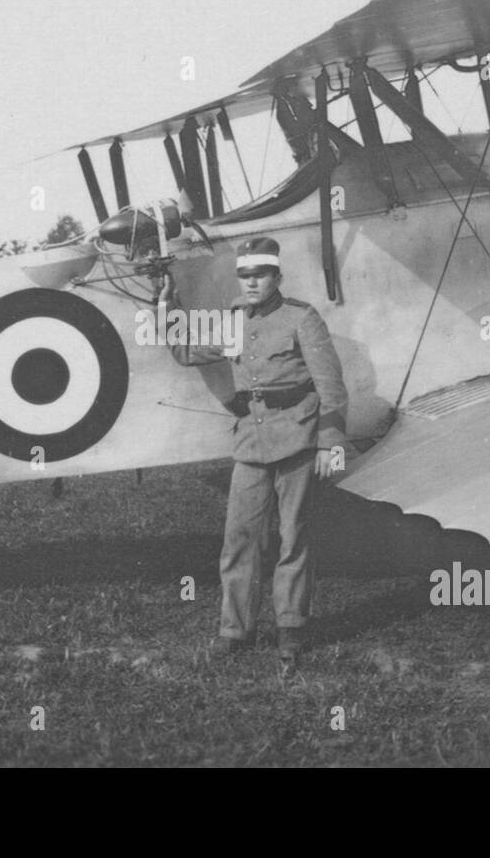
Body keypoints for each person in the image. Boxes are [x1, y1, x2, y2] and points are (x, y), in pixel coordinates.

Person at [156, 236, 349, 666]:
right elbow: (186, 352)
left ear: (277, 277)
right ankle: (235, 630)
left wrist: (328, 445)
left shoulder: (302, 318)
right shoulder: (233, 321)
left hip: (297, 437)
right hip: (250, 441)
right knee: (239, 538)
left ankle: (291, 628)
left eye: (259, 275)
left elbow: (331, 388)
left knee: (293, 537)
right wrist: (167, 308)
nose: (251, 283)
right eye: (244, 275)